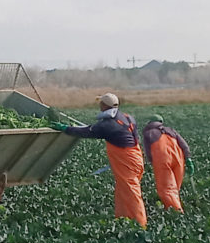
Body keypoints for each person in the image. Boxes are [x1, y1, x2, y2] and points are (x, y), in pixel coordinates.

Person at [50, 93, 147, 227]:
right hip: (136, 156)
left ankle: (140, 224)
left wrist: (65, 128)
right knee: (123, 189)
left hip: (127, 161)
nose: (99, 106)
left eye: (100, 103)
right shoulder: (127, 117)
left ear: (104, 106)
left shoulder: (108, 124)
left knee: (131, 191)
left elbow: (87, 132)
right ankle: (124, 219)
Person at [141, 113, 193, 214]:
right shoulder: (170, 130)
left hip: (163, 160)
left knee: (167, 189)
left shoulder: (149, 133)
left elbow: (148, 151)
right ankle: (170, 207)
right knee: (175, 187)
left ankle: (176, 212)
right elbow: (183, 144)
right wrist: (188, 159)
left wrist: (151, 162)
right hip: (178, 159)